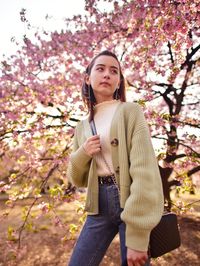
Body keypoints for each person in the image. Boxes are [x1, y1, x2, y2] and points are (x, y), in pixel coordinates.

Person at [67, 50, 164, 266]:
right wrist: (83, 153)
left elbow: (144, 170)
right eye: (100, 69)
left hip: (130, 200)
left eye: (114, 71)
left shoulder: (130, 112)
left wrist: (138, 237)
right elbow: (78, 179)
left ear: (119, 81)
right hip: (98, 207)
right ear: (87, 78)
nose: (107, 75)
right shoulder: (82, 126)